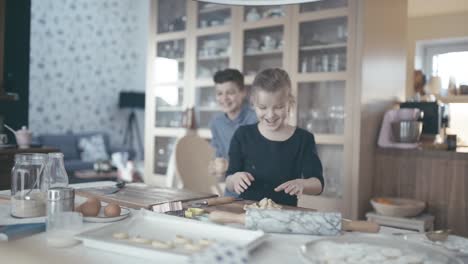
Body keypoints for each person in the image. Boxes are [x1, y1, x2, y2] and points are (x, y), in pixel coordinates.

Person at [225, 68, 324, 206]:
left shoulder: (303, 139)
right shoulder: (242, 135)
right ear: (253, 103)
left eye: (278, 107)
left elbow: (318, 184)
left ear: (290, 103)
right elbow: (229, 179)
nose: (270, 115)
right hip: (248, 212)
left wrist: (303, 184)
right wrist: (234, 179)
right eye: (263, 107)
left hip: (286, 215)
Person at [208, 69, 257, 196]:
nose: (224, 98)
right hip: (231, 192)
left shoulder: (256, 119)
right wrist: (215, 167)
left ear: (243, 93)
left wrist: (229, 165)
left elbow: (262, 162)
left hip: (256, 192)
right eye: (219, 93)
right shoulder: (216, 123)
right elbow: (218, 156)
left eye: (230, 93)